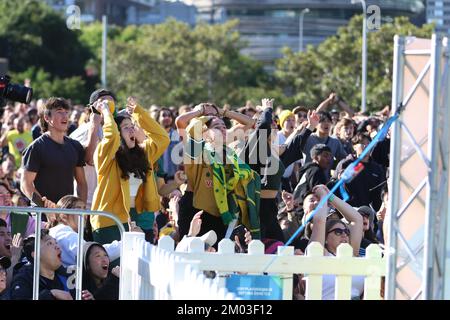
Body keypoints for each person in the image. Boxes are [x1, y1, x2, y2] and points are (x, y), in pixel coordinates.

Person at [175, 103, 260, 241]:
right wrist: (201, 112)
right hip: (195, 209)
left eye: (224, 127)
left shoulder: (227, 152)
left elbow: (251, 123)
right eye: (216, 128)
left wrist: (223, 112)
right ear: (205, 133)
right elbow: (181, 122)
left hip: (221, 212)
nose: (223, 130)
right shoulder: (196, 149)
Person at [90, 96, 169, 244]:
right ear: (119, 134)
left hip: (135, 219)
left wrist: (139, 113)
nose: (131, 129)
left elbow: (162, 138)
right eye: (126, 127)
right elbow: (111, 136)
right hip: (109, 221)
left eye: (132, 126)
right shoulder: (106, 154)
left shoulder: (144, 153)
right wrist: (106, 112)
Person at [243, 98, 319, 242]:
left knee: (279, 245)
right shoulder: (254, 151)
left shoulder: (276, 155)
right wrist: (267, 109)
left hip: (271, 208)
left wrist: (310, 127)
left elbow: (294, 146)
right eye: (273, 126)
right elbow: (264, 125)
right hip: (255, 207)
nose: (275, 128)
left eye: (275, 127)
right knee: (255, 247)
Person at [21, 97, 88, 207]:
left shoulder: (75, 146)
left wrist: (82, 211)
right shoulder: (36, 147)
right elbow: (25, 185)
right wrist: (46, 209)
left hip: (67, 216)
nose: (65, 116)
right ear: (47, 118)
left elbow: (82, 183)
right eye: (59, 112)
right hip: (42, 217)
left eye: (66, 112)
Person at [307, 184, 364, 300]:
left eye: (346, 232)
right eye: (338, 232)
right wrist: (323, 196)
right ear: (326, 238)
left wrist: (331, 196)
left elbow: (357, 219)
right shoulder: (320, 254)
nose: (344, 234)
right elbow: (320, 221)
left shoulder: (351, 252)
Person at [49, 195, 125, 268]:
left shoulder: (60, 231)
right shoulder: (62, 231)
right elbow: (93, 255)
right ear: (63, 216)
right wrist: (126, 242)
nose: (84, 214)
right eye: (79, 209)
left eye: (84, 209)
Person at [10, 230, 75, 300]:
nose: (57, 247)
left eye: (56, 243)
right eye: (49, 243)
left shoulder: (67, 275)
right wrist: (51, 294)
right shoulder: (23, 279)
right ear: (36, 254)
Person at [303, 111, 348, 179]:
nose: (326, 123)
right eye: (323, 121)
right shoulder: (307, 139)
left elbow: (345, 160)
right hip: (307, 180)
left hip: (324, 183)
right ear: (316, 123)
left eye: (329, 121)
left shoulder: (335, 142)